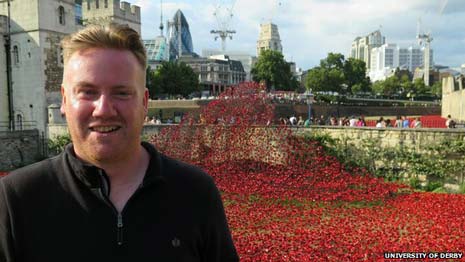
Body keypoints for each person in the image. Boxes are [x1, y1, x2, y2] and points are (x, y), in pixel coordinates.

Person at [0, 24, 238, 261]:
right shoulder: (16, 199)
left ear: (144, 102)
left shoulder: (195, 193)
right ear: (64, 100)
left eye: (121, 93)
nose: (103, 110)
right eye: (87, 92)